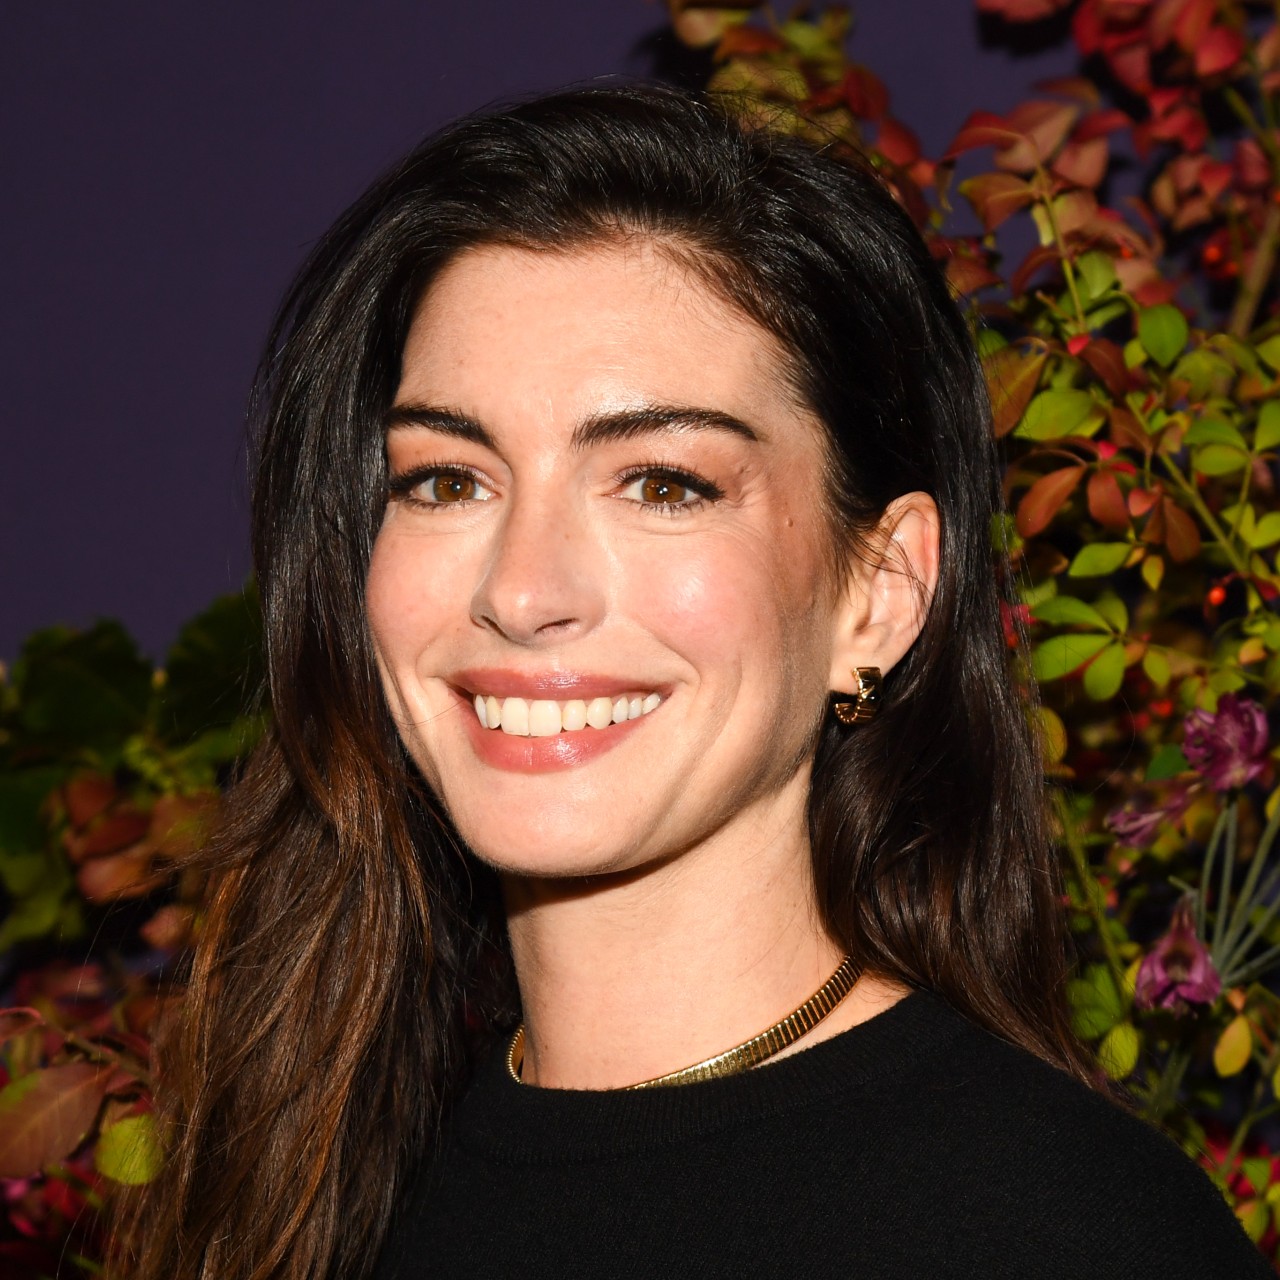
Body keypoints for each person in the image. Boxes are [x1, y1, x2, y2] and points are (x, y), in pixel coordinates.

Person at [127, 83, 1269, 1279]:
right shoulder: (301, 1184)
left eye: (662, 484)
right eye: (447, 480)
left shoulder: (1070, 1234)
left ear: (877, 592)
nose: (521, 589)